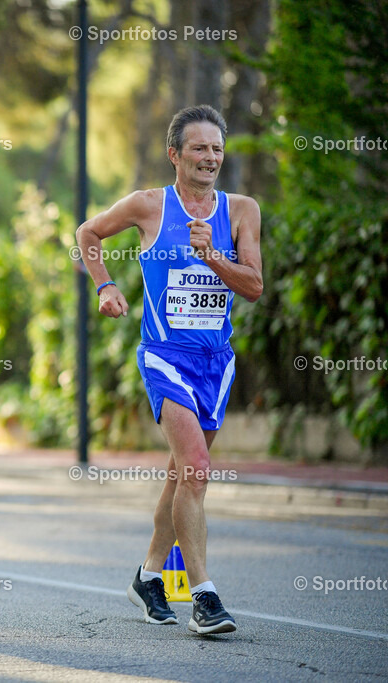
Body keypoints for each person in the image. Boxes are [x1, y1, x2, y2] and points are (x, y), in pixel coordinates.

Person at [75, 105, 263, 635]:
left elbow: (253, 287)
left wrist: (213, 259)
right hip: (164, 356)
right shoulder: (148, 206)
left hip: (216, 362)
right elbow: (88, 233)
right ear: (174, 154)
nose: (210, 158)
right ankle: (204, 596)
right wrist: (105, 286)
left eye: (217, 149)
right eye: (199, 148)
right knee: (197, 467)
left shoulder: (242, 210)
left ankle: (148, 576)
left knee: (183, 473)